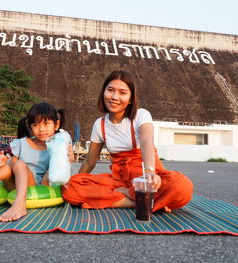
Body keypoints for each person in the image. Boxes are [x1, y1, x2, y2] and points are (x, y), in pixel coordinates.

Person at [62, 70, 193, 212]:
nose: (114, 97)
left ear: (131, 98)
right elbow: (89, 161)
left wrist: (150, 172)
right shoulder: (99, 124)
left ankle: (128, 196)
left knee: (181, 186)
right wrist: (76, 180)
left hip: (146, 177)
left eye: (122, 93)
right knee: (71, 188)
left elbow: (146, 142)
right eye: (110, 90)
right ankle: (143, 202)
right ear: (103, 92)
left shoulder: (141, 115)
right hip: (119, 181)